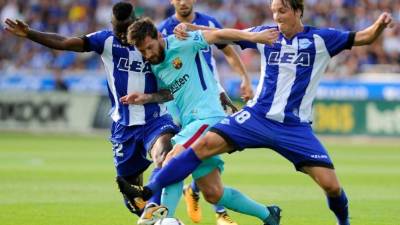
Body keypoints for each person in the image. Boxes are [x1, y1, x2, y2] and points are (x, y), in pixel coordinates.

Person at [114, 0, 394, 225]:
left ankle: (343, 221)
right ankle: (158, 200)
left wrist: (379, 25)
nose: (276, 17)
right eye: (273, 11)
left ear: (297, 10)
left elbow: (363, 37)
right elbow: (232, 36)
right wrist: (187, 27)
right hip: (257, 116)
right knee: (209, 180)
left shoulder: (321, 39)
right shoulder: (266, 34)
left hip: (293, 126)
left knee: (331, 187)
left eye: (282, 11)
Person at [4, 1, 179, 220]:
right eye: (118, 30)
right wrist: (30, 33)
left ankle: (158, 209)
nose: (123, 35)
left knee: (164, 154)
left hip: (155, 119)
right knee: (132, 199)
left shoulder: (154, 43)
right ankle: (154, 217)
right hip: (123, 126)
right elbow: (66, 42)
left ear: (135, 22)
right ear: (111, 25)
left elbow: (173, 89)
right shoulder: (105, 40)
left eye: (127, 29)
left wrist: (148, 98)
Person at [118, 17, 281, 225]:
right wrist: (146, 98)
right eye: (143, 52)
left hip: (208, 117)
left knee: (172, 159)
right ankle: (268, 214)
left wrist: (253, 37)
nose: (148, 54)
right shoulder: (157, 66)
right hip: (192, 125)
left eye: (149, 47)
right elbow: (170, 92)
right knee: (213, 192)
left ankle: (160, 218)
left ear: (159, 36)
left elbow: (220, 35)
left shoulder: (182, 40)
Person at [158, 0, 254, 224]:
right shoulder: (162, 30)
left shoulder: (209, 22)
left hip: (211, 96)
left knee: (214, 147)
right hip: (181, 100)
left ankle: (192, 194)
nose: (183, 2)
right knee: (190, 150)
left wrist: (244, 78)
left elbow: (229, 51)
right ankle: (214, 210)